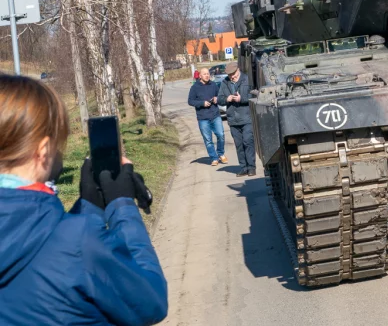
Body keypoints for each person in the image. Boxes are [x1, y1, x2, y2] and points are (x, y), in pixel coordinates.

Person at [0, 75, 167, 325]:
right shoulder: (78, 242)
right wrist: (123, 207)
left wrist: (88, 207)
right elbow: (151, 301)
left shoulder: (67, 236)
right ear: (43, 150)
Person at [218, 62, 256, 177]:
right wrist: (227, 99)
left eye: (233, 74)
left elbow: (255, 95)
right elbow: (219, 99)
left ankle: (251, 167)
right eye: (229, 75)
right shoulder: (225, 82)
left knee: (248, 141)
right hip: (233, 119)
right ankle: (243, 167)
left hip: (246, 117)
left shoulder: (247, 79)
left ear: (238, 70)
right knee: (239, 144)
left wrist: (242, 99)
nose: (232, 77)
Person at [188, 67, 227, 166]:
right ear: (200, 76)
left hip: (215, 115)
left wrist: (216, 99)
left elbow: (220, 97)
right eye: (204, 74)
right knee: (208, 140)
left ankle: (221, 154)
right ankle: (214, 158)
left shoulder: (213, 85)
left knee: (221, 135)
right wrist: (202, 103)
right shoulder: (195, 87)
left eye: (208, 74)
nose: (207, 75)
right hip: (203, 118)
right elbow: (190, 101)